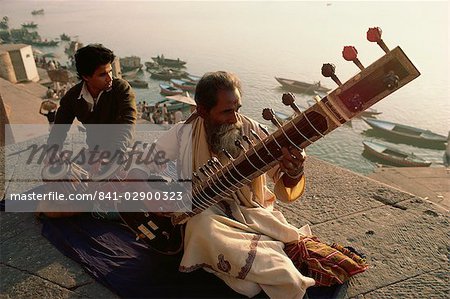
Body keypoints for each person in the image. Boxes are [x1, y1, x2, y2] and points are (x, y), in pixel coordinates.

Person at [142, 71, 367, 298]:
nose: (235, 119)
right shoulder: (183, 133)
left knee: (246, 282)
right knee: (202, 224)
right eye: (227, 111)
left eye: (238, 109)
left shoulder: (254, 133)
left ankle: (262, 271)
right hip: (202, 211)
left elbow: (283, 182)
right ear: (202, 111)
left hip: (251, 213)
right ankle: (266, 272)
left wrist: (294, 170)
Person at [47, 44, 136, 158]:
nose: (109, 78)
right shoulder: (72, 97)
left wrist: (112, 152)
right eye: (103, 74)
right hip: (94, 152)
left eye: (110, 71)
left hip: (123, 150)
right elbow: (59, 130)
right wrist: (52, 152)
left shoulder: (121, 88)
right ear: (86, 77)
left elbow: (128, 121)